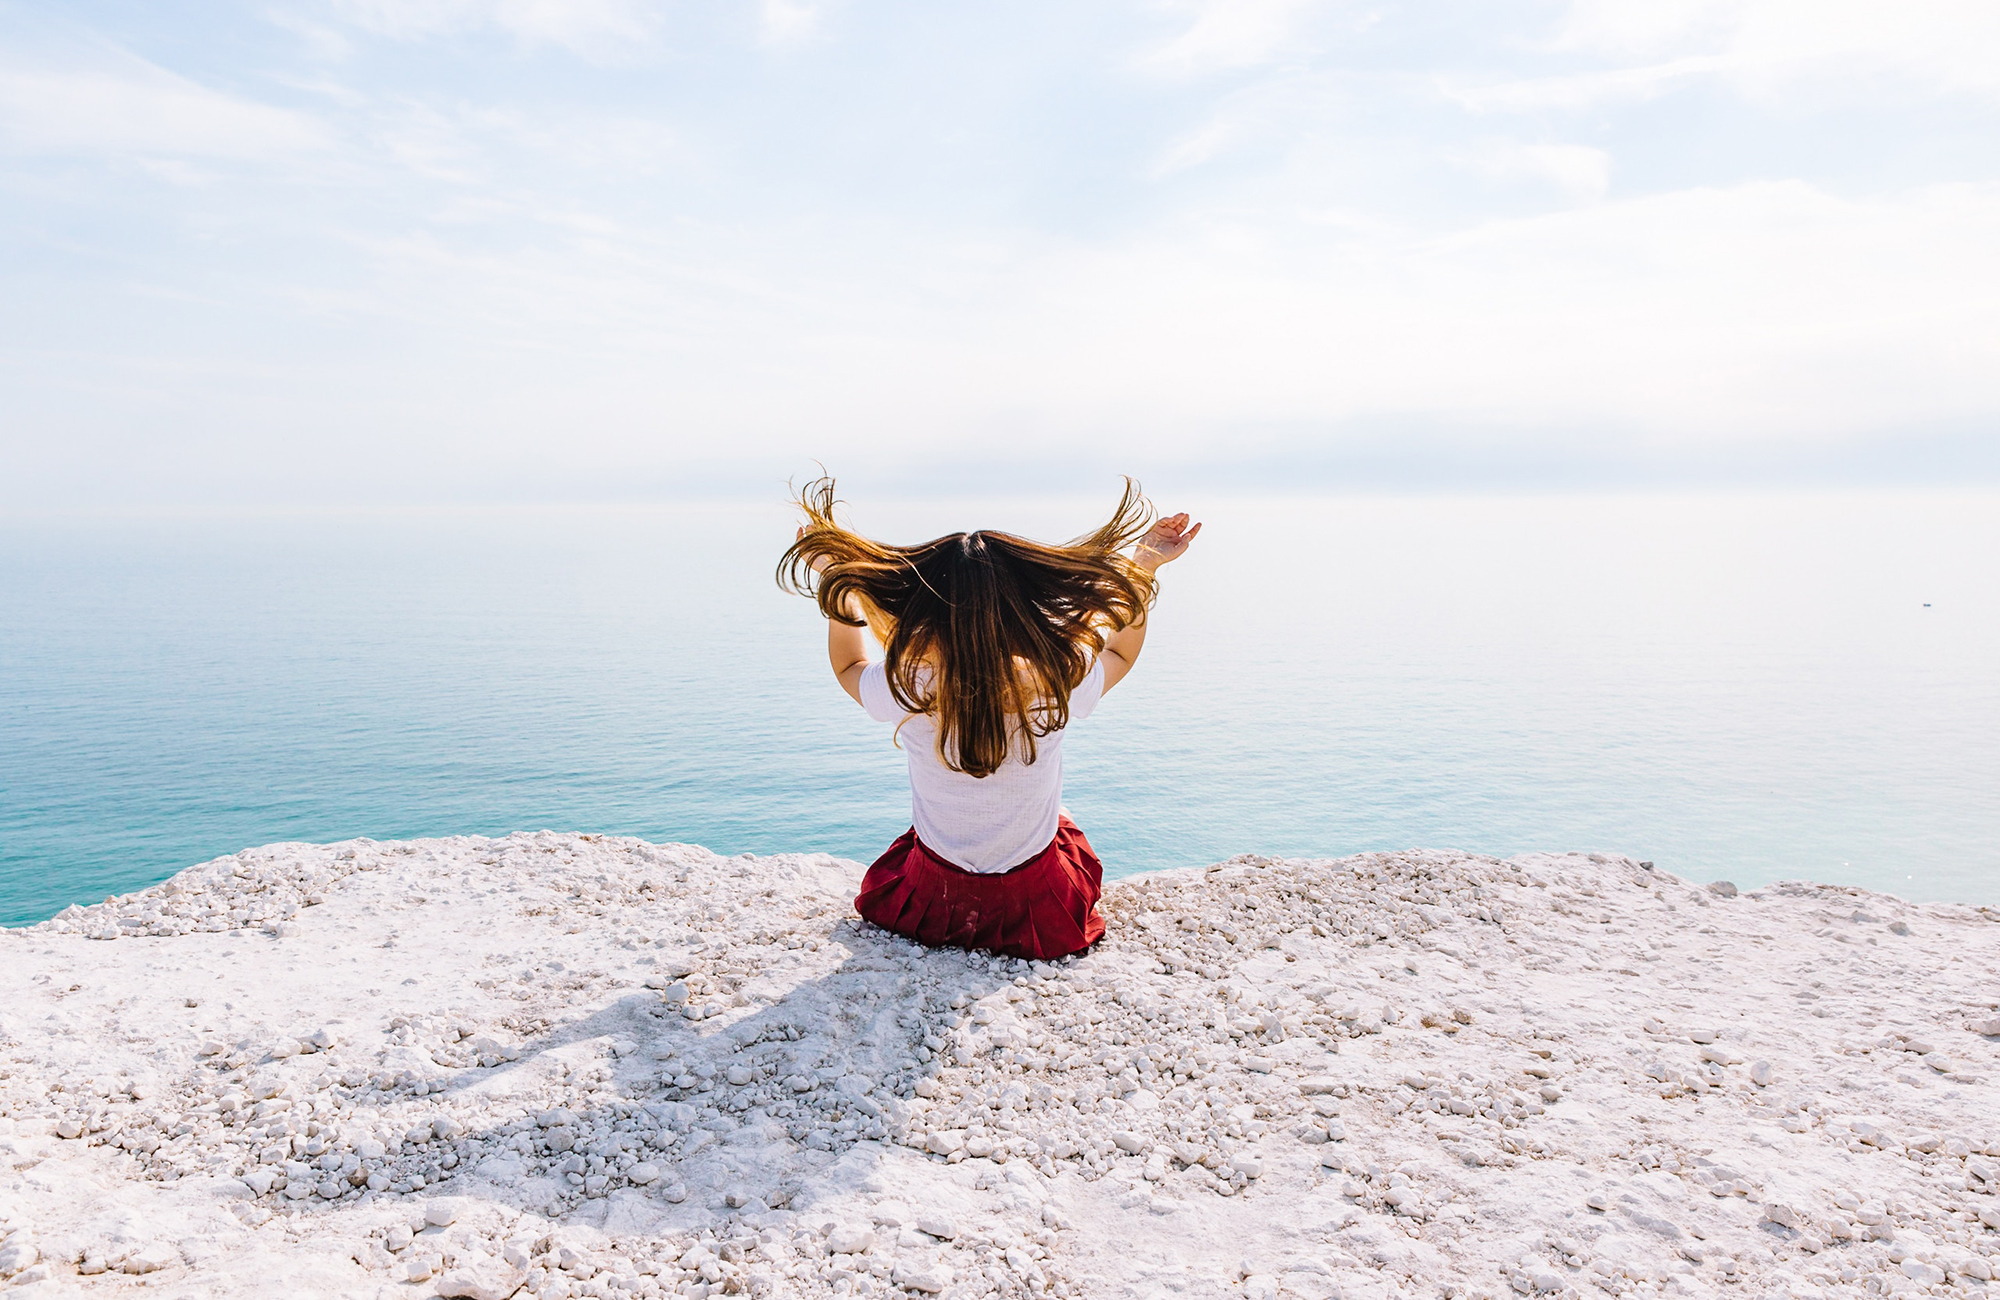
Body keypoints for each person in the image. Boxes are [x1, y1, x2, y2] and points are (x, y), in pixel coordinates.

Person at [778, 477, 1200, 960]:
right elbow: (1120, 651)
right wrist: (1143, 562)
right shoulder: (1055, 676)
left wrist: (839, 583)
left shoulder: (911, 682)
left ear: (922, 611)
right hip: (1037, 908)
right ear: (1029, 609)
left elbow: (849, 666)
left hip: (933, 903)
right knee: (1062, 826)